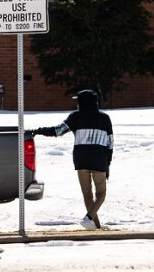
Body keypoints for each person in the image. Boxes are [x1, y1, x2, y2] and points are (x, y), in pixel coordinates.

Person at [31, 89, 114, 230]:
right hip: (99, 160)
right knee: (101, 194)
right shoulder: (105, 118)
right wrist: (107, 165)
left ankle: (96, 226)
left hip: (81, 161)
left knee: (87, 195)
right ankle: (89, 219)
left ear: (82, 102)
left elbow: (58, 131)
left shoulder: (75, 117)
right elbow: (110, 143)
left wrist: (39, 130)